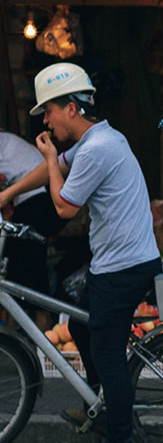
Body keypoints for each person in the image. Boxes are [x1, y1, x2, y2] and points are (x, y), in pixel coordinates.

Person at [0, 64, 160, 443]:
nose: (45, 122)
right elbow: (48, 169)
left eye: (49, 112)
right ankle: (103, 407)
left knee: (108, 357)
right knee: (80, 326)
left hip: (123, 267)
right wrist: (9, 194)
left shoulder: (95, 149)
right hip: (117, 262)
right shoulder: (99, 138)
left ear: (71, 107)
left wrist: (52, 158)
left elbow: (64, 206)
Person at [0, 126, 69, 321]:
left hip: (37, 197)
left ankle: (39, 334)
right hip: (37, 197)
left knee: (27, 266)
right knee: (19, 266)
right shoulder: (9, 141)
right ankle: (23, 333)